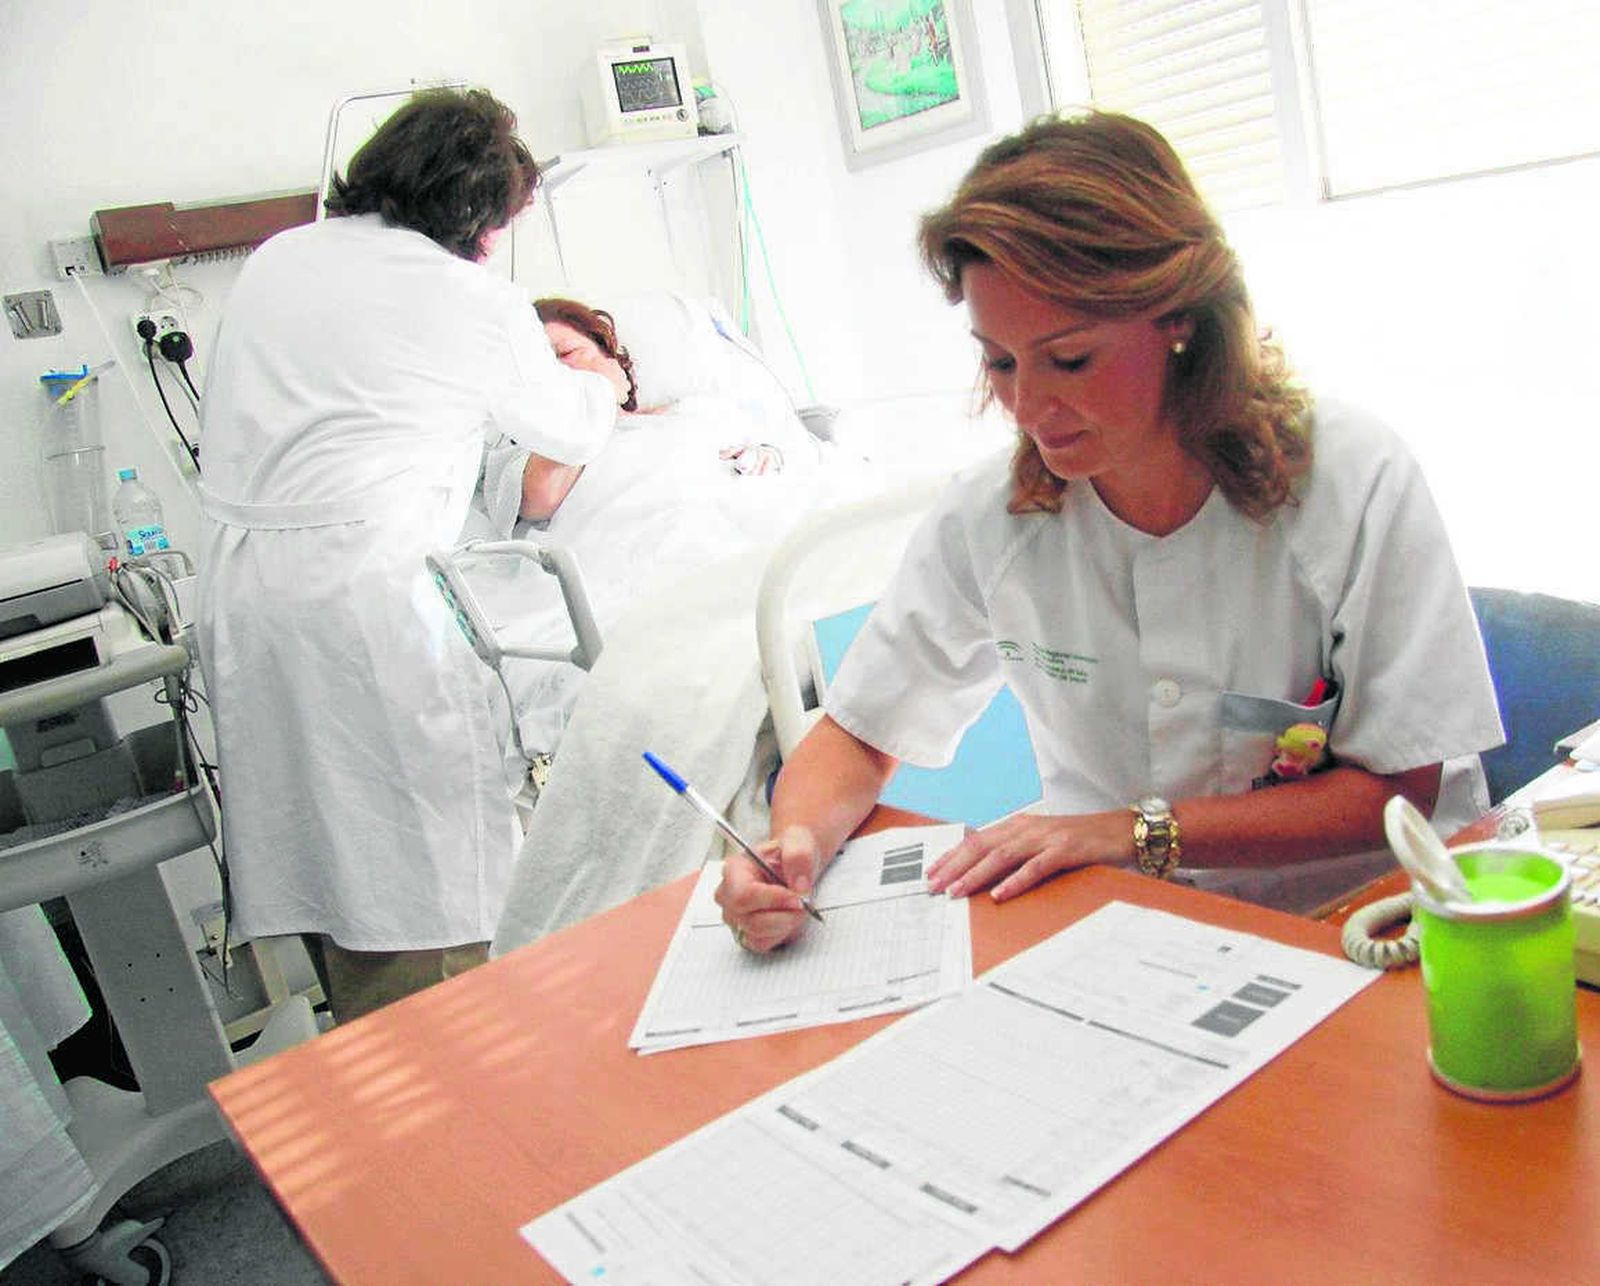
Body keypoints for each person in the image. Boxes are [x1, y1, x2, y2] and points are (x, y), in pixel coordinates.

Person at [716, 110, 1505, 954]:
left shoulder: (1351, 481)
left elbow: (1400, 788)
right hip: (1135, 933)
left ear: (1178, 317)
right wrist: (791, 844)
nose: (1028, 407)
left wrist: (1128, 831)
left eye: (1071, 359)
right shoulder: (993, 519)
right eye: (1000, 361)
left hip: (1368, 915)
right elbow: (859, 731)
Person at [194, 88, 618, 1021]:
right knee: (418, 870)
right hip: (367, 606)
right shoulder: (468, 299)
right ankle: (457, 1087)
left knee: (326, 860)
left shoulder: (281, 258)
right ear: (472, 214)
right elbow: (570, 431)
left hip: (249, 598)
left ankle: (385, 1070)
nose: (499, 244)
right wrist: (603, 381)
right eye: (501, 222)